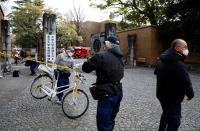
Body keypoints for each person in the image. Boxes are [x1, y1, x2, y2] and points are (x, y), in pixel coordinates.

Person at [82, 36, 124, 131]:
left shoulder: (101, 56)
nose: (104, 45)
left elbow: (86, 68)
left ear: (110, 45)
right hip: (118, 92)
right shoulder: (120, 58)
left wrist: (87, 61)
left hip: (106, 94)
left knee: (103, 123)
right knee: (110, 120)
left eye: (105, 43)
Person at [154, 39, 194, 131]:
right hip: (172, 97)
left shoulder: (162, 59)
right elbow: (186, 82)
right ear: (177, 48)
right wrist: (190, 94)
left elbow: (156, 72)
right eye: (185, 47)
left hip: (161, 94)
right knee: (174, 121)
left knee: (166, 114)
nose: (187, 49)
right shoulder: (178, 63)